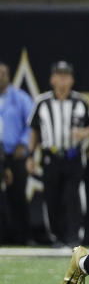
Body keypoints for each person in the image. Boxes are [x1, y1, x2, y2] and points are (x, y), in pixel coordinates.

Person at [28, 62, 89, 246]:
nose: (62, 80)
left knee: (73, 197)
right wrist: (30, 156)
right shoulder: (42, 102)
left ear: (72, 79)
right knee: (52, 197)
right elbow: (34, 130)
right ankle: (56, 236)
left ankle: (73, 236)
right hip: (50, 157)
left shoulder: (80, 101)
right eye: (59, 75)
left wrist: (83, 133)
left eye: (66, 76)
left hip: (73, 157)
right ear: (52, 79)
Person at [0, 63, 34, 244]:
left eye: (3, 73)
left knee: (18, 196)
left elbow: (32, 125)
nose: (0, 76)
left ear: (9, 75)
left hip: (15, 154)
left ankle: (23, 237)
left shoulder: (20, 98)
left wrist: (23, 143)